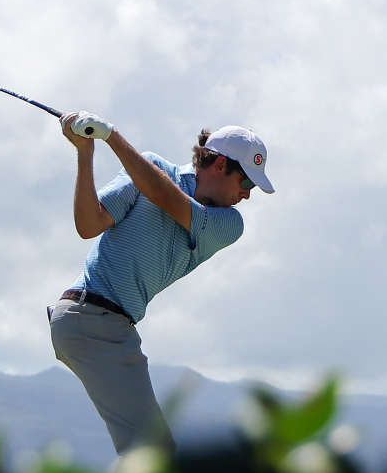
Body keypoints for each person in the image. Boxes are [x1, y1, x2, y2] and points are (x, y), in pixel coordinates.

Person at [47, 112, 274, 455]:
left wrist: (111, 137)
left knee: (150, 457)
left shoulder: (229, 224)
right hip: (90, 318)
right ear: (220, 165)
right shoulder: (150, 167)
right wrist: (86, 152)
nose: (246, 196)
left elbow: (165, 198)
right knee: (153, 459)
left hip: (106, 326)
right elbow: (88, 224)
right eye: (247, 183)